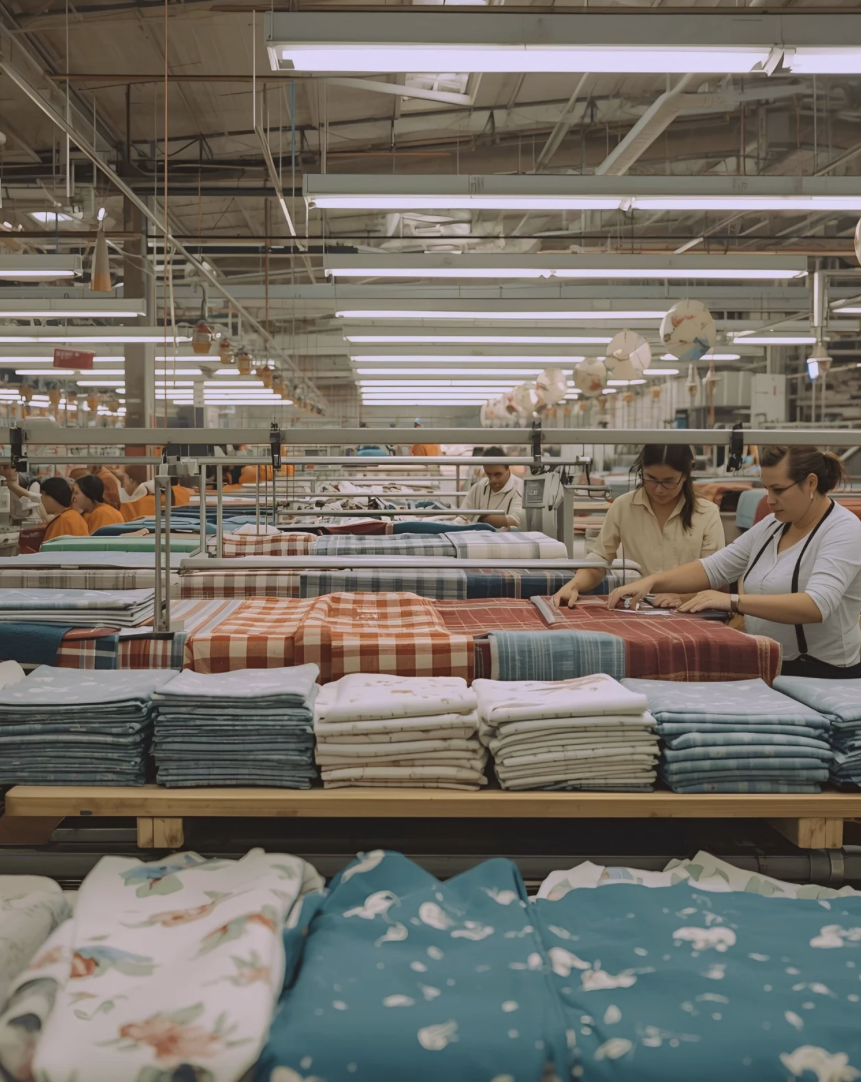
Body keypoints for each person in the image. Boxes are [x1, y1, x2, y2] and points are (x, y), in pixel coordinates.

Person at [606, 446, 861, 679]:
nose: (770, 500)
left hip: (823, 673)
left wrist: (732, 601)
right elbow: (713, 568)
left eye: (779, 490)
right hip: (769, 663)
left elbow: (816, 606)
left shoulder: (843, 530)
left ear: (811, 483)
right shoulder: (773, 526)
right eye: (767, 489)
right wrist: (651, 582)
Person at [555, 443, 724, 608]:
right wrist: (574, 585)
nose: (659, 490)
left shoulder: (706, 513)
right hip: (638, 607)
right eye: (651, 479)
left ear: (686, 475)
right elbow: (600, 559)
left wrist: (684, 598)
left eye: (669, 481)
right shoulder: (623, 506)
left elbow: (715, 575)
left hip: (692, 609)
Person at [458, 447, 524, 529]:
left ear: (507, 468)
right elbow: (463, 516)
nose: (493, 480)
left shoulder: (519, 488)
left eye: (498, 474)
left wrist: (481, 517)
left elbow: (515, 521)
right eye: (488, 474)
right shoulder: (479, 487)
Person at [41, 477, 88, 542]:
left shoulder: (64, 520)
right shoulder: (73, 515)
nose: (42, 501)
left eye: (42, 496)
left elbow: (53, 547)